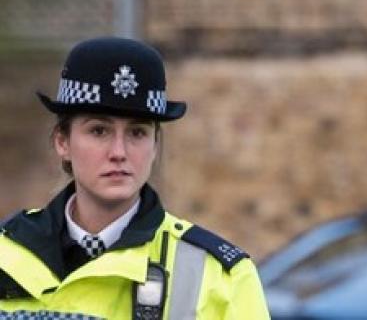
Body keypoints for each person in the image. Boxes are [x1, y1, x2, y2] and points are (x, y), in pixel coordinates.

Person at [0, 37, 271, 318]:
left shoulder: (222, 280)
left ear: (155, 146)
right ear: (62, 142)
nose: (119, 152)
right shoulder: (5, 255)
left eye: (137, 132)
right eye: (99, 131)